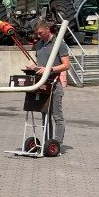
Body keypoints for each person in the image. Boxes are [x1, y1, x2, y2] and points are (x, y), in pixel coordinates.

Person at [25, 18, 71, 152]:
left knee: (57, 116)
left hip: (55, 84)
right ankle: (47, 142)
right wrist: (32, 67)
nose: (38, 36)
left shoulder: (59, 43)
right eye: (36, 34)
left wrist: (49, 69)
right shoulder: (38, 45)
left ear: (47, 29)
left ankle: (57, 143)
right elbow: (39, 64)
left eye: (40, 33)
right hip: (42, 85)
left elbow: (66, 65)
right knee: (45, 115)